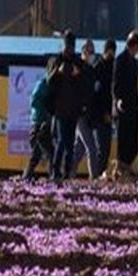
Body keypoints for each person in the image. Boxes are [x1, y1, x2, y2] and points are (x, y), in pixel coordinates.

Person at [49, 31, 88, 181]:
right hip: (59, 110)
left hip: (73, 110)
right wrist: (57, 73)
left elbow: (84, 84)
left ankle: (65, 172)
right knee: (62, 140)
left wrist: (77, 74)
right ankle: (56, 171)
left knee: (69, 142)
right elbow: (49, 81)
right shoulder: (56, 61)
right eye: (67, 47)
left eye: (71, 47)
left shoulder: (77, 62)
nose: (68, 50)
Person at [112, 31, 138, 177]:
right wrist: (118, 99)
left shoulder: (134, 62)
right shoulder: (121, 60)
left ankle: (128, 166)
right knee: (124, 139)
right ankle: (120, 168)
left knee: (133, 140)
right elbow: (116, 83)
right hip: (124, 107)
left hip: (133, 107)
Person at [23, 58, 56, 179]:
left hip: (43, 124)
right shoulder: (43, 84)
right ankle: (54, 178)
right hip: (39, 124)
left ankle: (26, 177)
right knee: (51, 153)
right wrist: (45, 113)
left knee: (35, 156)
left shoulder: (50, 85)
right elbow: (34, 101)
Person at [72, 39, 100, 178]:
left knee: (79, 150)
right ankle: (93, 178)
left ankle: (68, 174)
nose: (92, 54)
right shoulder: (79, 68)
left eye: (93, 52)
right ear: (83, 52)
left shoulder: (91, 70)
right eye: (89, 52)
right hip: (81, 114)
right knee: (92, 148)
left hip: (88, 114)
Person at [88, 39, 116, 178]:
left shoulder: (114, 66)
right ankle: (97, 176)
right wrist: (103, 113)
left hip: (109, 115)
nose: (112, 55)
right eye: (110, 51)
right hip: (99, 116)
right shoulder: (98, 67)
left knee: (106, 149)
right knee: (101, 149)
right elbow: (95, 95)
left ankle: (100, 175)